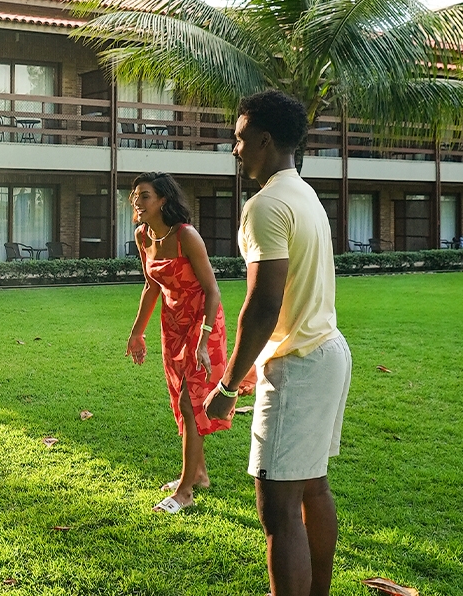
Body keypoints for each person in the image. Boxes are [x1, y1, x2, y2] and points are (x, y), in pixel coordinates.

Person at [204, 90, 352, 596]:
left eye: (241, 138)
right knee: (311, 485)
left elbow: (264, 304)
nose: (235, 148)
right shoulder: (304, 193)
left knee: (277, 507)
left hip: (300, 365)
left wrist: (226, 383)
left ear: (264, 140)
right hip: (328, 350)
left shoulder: (265, 205)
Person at [126, 171, 253, 514]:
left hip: (204, 323)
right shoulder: (142, 236)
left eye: (145, 195)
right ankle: (199, 473)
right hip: (173, 325)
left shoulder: (186, 236)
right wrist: (137, 332)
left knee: (190, 402)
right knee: (180, 398)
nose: (137, 200)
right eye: (135, 195)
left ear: (163, 201)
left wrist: (204, 338)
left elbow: (213, 291)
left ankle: (184, 491)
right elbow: (151, 286)